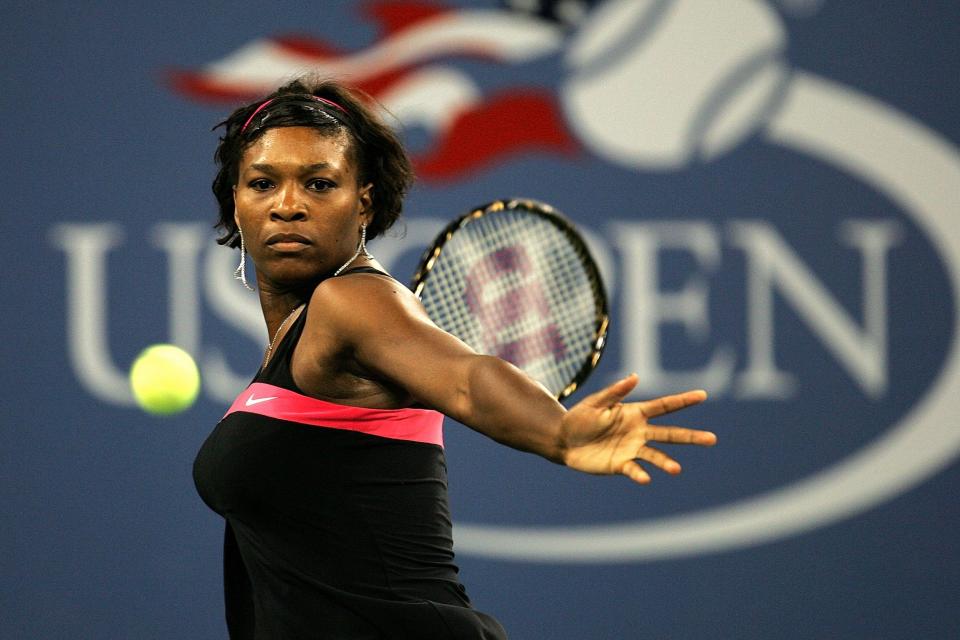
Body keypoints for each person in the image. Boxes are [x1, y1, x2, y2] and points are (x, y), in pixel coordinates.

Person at [193, 76, 717, 640]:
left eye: (320, 184)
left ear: (363, 200)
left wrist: (559, 433)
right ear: (236, 202)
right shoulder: (293, 346)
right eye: (263, 183)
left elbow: (468, 379)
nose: (288, 205)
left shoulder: (350, 302)